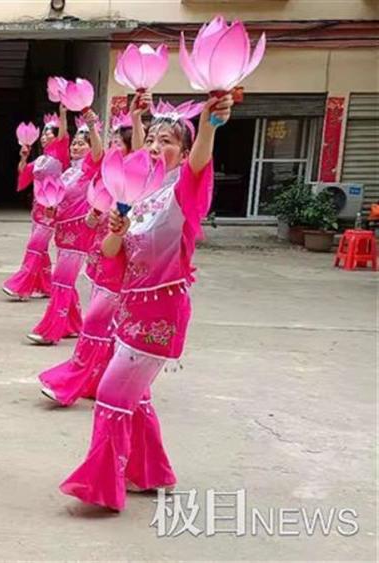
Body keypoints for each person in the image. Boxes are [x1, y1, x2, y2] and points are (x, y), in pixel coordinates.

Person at [59, 94, 233, 512]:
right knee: (135, 398)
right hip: (129, 311)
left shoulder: (182, 191)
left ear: (184, 151)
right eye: (153, 138)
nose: (156, 146)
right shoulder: (143, 193)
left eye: (168, 140)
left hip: (160, 314)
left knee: (112, 396)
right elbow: (111, 250)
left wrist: (211, 120)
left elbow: (200, 163)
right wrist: (117, 226)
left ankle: (101, 483)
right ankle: (150, 472)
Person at [37, 107, 138, 405]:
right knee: (101, 323)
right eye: (113, 142)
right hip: (96, 250)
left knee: (94, 322)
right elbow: (92, 214)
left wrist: (93, 123)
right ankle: (100, 379)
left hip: (121, 262)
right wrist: (93, 217)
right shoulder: (98, 174)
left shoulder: (135, 180)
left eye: (118, 143)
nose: (112, 147)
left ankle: (72, 381)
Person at [27, 106, 104, 345]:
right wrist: (52, 209)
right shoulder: (69, 171)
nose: (76, 146)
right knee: (65, 279)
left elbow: (100, 154)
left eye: (82, 144)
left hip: (80, 232)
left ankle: (52, 330)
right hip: (63, 231)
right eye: (75, 144)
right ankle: (72, 324)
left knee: (61, 280)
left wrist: (91, 126)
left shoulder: (90, 168)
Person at [2, 110, 71, 300]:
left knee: (34, 246)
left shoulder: (61, 154)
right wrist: (24, 157)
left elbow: (64, 133)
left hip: (51, 208)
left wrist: (63, 113)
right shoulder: (41, 160)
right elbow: (24, 174)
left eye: (49, 133)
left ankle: (21, 285)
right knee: (40, 248)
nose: (44, 137)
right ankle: (44, 285)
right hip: (37, 209)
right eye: (43, 134)